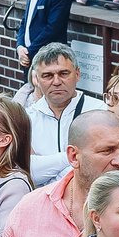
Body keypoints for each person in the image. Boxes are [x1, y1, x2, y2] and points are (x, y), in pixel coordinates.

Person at [16, 44, 96, 187]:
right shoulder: (26, 118)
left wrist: (45, 164)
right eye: (48, 76)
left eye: (64, 73)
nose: (57, 82)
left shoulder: (98, 111)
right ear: (37, 79)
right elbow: (30, 173)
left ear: (77, 74)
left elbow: (95, 168)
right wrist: (71, 157)